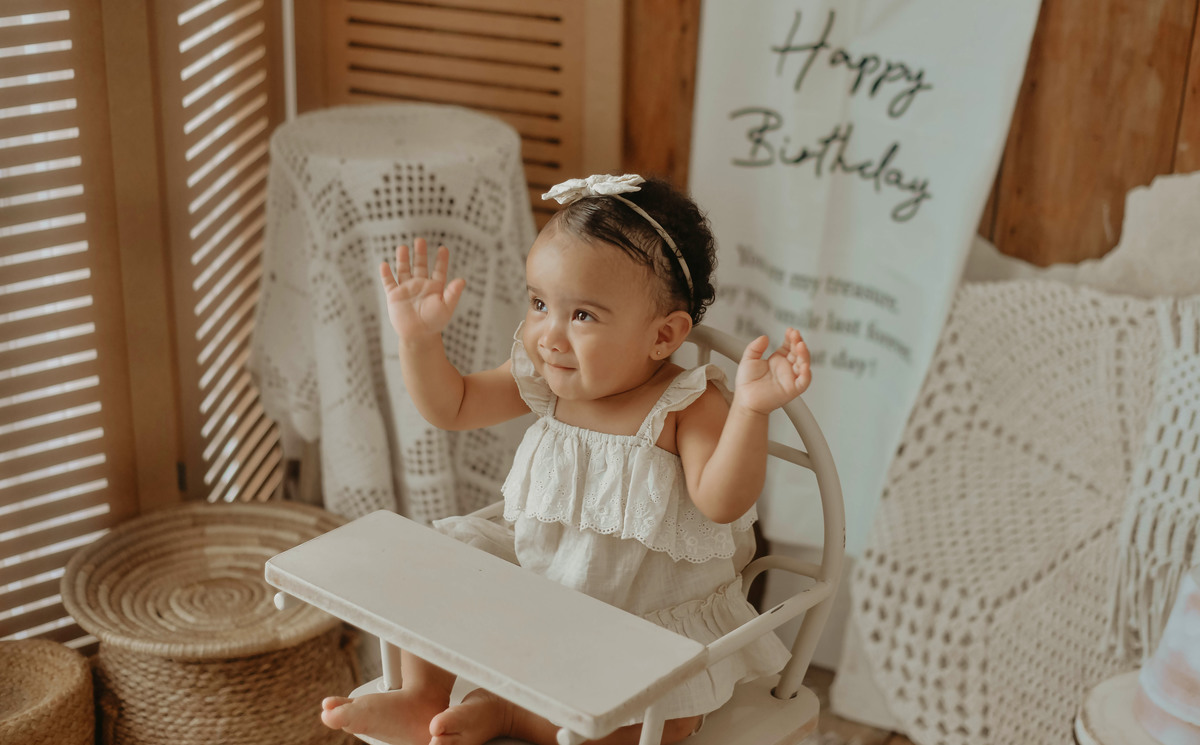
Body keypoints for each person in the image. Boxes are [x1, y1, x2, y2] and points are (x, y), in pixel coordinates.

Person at [320, 174, 812, 745]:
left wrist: (750, 410)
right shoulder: (548, 379)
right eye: (539, 304)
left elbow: (722, 502)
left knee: (666, 720)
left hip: (638, 624)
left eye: (582, 316)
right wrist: (418, 339)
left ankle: (509, 713)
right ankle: (422, 696)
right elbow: (451, 405)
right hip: (543, 586)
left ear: (663, 335)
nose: (549, 336)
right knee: (438, 564)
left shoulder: (687, 404)